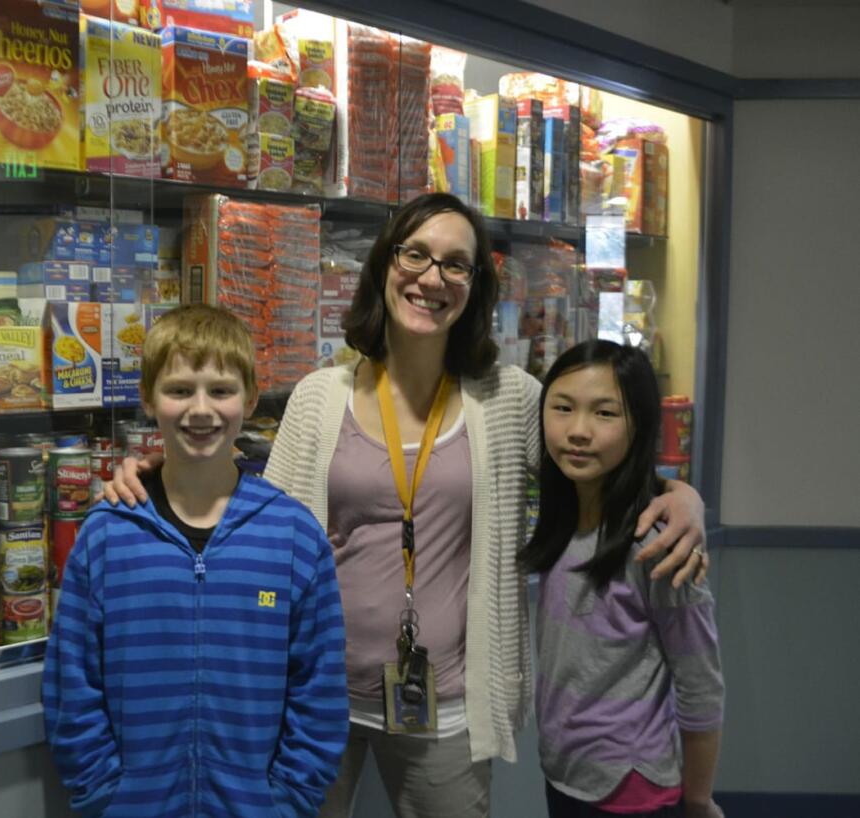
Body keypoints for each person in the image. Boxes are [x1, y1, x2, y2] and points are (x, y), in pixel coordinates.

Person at [104, 193, 708, 818]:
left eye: (455, 264)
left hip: (445, 707)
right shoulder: (319, 396)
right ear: (384, 266)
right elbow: (256, 512)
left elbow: (594, 467)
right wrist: (158, 475)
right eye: (415, 254)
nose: (431, 278)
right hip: (314, 697)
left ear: (475, 285)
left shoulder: (508, 399)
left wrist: (678, 496)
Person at [43, 304, 348, 818]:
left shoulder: (293, 536)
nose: (201, 410)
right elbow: (72, 685)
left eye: (221, 391)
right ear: (148, 399)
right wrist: (104, 796)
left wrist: (287, 801)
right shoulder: (108, 534)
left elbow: (318, 691)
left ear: (250, 399)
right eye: (179, 389)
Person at [519, 340, 724, 818]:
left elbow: (702, 684)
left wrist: (698, 798)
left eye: (605, 414)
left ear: (640, 426)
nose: (578, 431)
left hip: (633, 789)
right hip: (565, 772)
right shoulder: (564, 514)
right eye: (563, 408)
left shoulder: (659, 543)